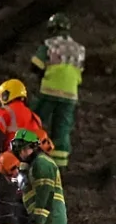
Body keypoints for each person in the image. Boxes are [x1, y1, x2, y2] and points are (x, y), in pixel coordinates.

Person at [0, 79, 50, 224]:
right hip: (30, 168)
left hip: (8, 166)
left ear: (8, 95)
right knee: (26, 204)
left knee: (3, 200)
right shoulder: (34, 118)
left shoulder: (3, 113)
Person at [31, 13, 85, 169]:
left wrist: (42, 74)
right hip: (70, 94)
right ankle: (59, 165)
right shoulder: (79, 49)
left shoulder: (50, 44)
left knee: (34, 121)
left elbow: (36, 64)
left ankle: (26, 154)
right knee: (62, 129)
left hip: (50, 90)